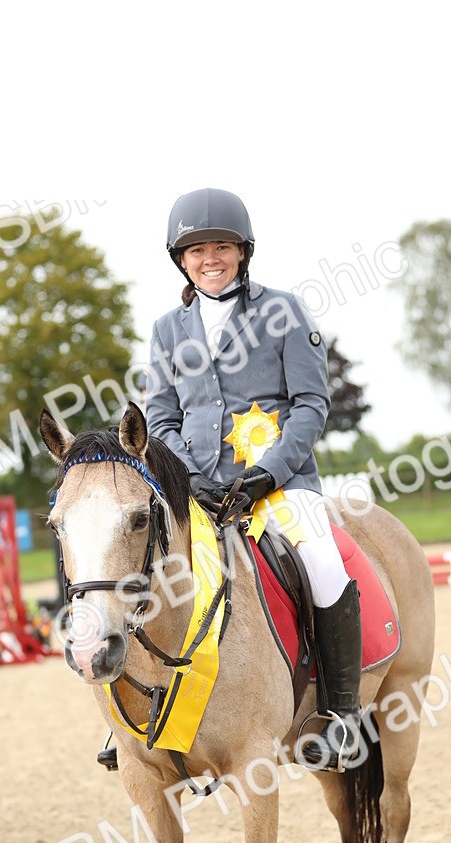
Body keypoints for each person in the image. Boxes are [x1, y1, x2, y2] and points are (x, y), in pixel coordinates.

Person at [145, 188, 361, 771]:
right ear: (180, 260)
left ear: (242, 252)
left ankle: (342, 714)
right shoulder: (167, 329)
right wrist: (187, 478)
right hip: (196, 488)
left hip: (280, 485)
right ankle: (138, 719)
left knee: (322, 559)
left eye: (220, 247)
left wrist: (270, 474)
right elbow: (161, 418)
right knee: (142, 566)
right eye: (195, 250)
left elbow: (312, 403)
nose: (209, 258)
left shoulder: (283, 311)